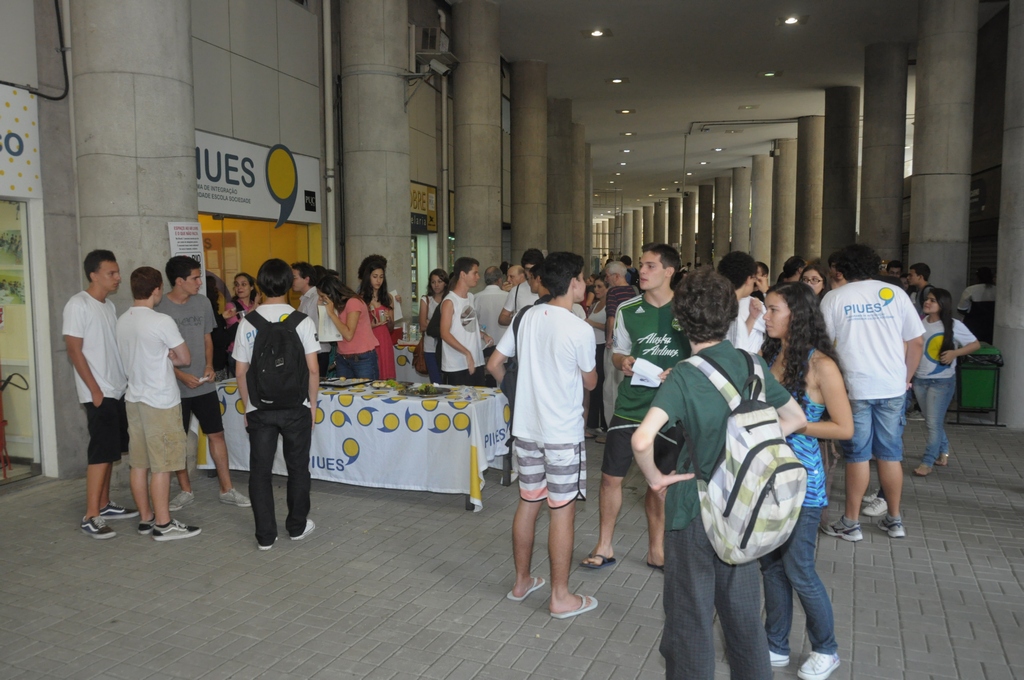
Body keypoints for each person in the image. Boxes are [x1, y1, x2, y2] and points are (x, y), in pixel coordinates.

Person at [631, 267, 807, 680]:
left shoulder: (685, 375)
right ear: (730, 315)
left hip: (694, 507)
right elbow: (795, 417)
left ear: (680, 316)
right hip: (744, 506)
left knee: (690, 617)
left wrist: (655, 479)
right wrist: (742, 450)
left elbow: (641, 441)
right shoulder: (752, 364)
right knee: (744, 618)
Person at [486, 252, 598, 619]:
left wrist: (517, 394)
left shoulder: (525, 317)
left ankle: (521, 582)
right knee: (562, 510)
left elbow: (494, 364)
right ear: (574, 282)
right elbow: (590, 381)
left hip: (527, 430)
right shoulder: (578, 327)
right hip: (562, 434)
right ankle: (560, 597)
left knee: (529, 501)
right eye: (583, 278)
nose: (586, 284)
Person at [760, 282, 853, 680]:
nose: (764, 316)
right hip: (765, 479)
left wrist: (793, 428)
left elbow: (844, 428)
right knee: (771, 568)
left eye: (773, 309)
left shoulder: (822, 366)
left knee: (799, 569)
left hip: (803, 484)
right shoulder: (769, 353)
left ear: (796, 314)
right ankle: (775, 644)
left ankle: (826, 649)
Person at [581, 244, 689, 571]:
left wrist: (682, 370)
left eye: (650, 266)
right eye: (641, 265)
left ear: (669, 271)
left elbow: (703, 355)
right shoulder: (629, 309)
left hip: (672, 411)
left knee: (660, 484)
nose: (641, 271)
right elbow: (618, 351)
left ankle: (656, 550)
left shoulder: (687, 311)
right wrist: (622, 361)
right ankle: (604, 545)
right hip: (630, 407)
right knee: (610, 479)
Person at [819, 244, 924, 541]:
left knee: (859, 457)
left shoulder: (835, 298)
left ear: (843, 268)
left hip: (854, 388)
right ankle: (894, 520)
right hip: (892, 386)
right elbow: (916, 342)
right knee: (890, 455)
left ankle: (851, 523)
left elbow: (824, 347)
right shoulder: (896, 295)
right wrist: (906, 378)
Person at [232, 258, 320, 550]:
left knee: (260, 471)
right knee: (298, 468)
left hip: (260, 408)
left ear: (259, 285)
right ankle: (296, 527)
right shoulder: (301, 321)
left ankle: (265, 537)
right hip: (297, 407)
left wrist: (248, 406)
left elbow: (241, 372)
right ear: (288, 285)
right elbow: (313, 369)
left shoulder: (248, 322)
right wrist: (313, 405)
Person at [156, 256, 250, 513]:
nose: (200, 282)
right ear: (179, 281)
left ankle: (227, 489)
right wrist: (179, 374)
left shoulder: (203, 302)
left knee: (216, 434)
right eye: (195, 278)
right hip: (174, 388)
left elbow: (208, 338)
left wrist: (209, 366)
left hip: (205, 383)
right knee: (177, 440)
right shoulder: (159, 307)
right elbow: (155, 351)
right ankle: (185, 490)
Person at [117, 266, 201, 541]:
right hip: (160, 401)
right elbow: (185, 357)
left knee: (139, 463)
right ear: (156, 290)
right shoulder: (161, 320)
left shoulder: (122, 320)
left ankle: (146, 518)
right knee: (163, 465)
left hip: (134, 398)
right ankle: (164, 525)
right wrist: (168, 357)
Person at [63, 250, 139, 539]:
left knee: (110, 451)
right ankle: (90, 514)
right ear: (94, 275)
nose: (118, 277)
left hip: (116, 389)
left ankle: (104, 504)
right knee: (100, 452)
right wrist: (94, 389)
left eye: (118, 272)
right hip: (99, 391)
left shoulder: (107, 306)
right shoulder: (77, 304)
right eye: (112, 273)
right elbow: (73, 349)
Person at [913, 288, 980, 476]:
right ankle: (943, 450)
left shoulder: (954, 325)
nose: (927, 302)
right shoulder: (921, 322)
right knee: (932, 421)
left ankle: (927, 461)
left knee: (932, 423)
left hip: (941, 381)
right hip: (920, 379)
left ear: (942, 304)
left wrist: (954, 353)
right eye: (927, 299)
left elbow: (975, 344)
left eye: (932, 300)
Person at [597, 261, 638, 444]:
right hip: (630, 345)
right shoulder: (635, 291)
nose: (606, 279)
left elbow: (611, 317)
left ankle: (612, 429)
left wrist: (608, 338)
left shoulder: (613, 292)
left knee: (610, 388)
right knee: (623, 385)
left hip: (616, 344)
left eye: (607, 275)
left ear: (616, 276)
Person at [440, 258, 490, 385]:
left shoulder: (471, 297)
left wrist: (483, 335)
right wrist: (466, 353)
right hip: (457, 364)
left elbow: (469, 325)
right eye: (475, 273)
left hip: (476, 360)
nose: (478, 277)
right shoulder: (450, 301)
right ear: (463, 274)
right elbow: (444, 333)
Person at [319, 275, 379, 379]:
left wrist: (331, 314)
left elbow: (348, 334)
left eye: (323, 296)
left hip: (362, 357)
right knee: (343, 394)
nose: (320, 299)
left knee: (366, 392)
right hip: (342, 357)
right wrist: (321, 308)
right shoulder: (338, 304)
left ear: (331, 294)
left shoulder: (353, 302)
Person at [358, 255, 397, 380]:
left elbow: (391, 328)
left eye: (381, 277)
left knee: (387, 376)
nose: (378, 280)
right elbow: (356, 327)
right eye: (375, 277)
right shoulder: (361, 298)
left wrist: (389, 320)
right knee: (373, 375)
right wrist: (372, 325)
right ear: (368, 277)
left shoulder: (388, 297)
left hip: (384, 339)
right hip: (369, 341)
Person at [717, 251, 764, 353]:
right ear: (748, 279)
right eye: (754, 278)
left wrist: (752, 318)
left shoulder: (718, 304)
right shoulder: (729, 311)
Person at [292, 261, 331, 377]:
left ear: (306, 279)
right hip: (309, 351)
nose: (291, 281)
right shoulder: (305, 299)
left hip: (318, 352)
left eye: (294, 277)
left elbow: (317, 327)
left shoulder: (316, 298)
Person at [583, 275, 608, 436]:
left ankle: (603, 424)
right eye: (596, 287)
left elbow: (609, 327)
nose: (596, 290)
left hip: (601, 346)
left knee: (600, 385)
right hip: (592, 346)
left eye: (600, 287)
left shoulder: (609, 306)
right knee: (592, 387)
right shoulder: (597, 304)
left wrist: (591, 323)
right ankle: (592, 423)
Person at [499, 248, 545, 326]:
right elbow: (502, 318)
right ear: (523, 270)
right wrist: (518, 320)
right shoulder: (516, 290)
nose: (531, 273)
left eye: (534, 269)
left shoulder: (551, 288)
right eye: (528, 269)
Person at [418, 268, 448, 384]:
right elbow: (423, 325)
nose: (436, 285)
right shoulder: (426, 300)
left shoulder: (449, 300)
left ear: (445, 283)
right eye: (433, 282)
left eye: (439, 281)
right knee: (436, 381)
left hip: (446, 346)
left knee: (447, 382)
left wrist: (431, 322)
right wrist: (443, 325)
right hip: (430, 347)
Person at [224, 272, 259, 371]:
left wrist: (256, 305)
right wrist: (253, 309)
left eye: (243, 284)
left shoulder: (256, 305)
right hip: (237, 352)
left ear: (251, 287)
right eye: (236, 285)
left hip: (254, 351)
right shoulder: (231, 306)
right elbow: (238, 328)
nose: (239, 288)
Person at [958, 266, 996, 344]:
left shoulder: (970, 290)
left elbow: (961, 309)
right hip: (991, 327)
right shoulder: (997, 290)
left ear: (977, 277)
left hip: (973, 326)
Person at [476, 265, 508, 349]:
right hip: (504, 344)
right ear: (500, 280)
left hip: (484, 344)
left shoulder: (476, 297)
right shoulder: (508, 296)